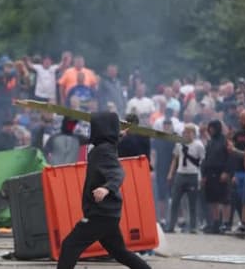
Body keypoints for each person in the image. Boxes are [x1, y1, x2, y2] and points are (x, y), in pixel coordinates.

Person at [57, 112, 151, 269]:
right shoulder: (107, 146)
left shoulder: (104, 151)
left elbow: (117, 172)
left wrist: (106, 188)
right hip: (108, 214)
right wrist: (119, 134)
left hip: (100, 213)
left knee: (69, 245)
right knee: (119, 252)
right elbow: (111, 143)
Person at [165, 124, 205, 233]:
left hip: (193, 174)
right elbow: (175, 159)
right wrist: (170, 173)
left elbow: (202, 162)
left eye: (189, 132)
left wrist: (200, 176)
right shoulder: (179, 144)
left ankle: (193, 227)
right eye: (185, 132)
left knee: (192, 202)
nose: (186, 134)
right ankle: (171, 226)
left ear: (193, 133)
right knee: (175, 201)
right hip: (180, 174)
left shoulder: (199, 145)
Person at [201, 120, 231, 234]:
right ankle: (216, 223)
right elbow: (206, 159)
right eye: (209, 128)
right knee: (212, 200)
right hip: (210, 173)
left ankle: (225, 223)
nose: (210, 130)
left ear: (217, 128)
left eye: (212, 128)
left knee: (224, 199)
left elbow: (229, 158)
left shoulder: (225, 141)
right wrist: (204, 175)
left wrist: (226, 172)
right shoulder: (210, 142)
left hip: (221, 173)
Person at [152, 120, 176, 227]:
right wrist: (152, 168)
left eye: (168, 126)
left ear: (171, 127)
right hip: (161, 170)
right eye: (165, 126)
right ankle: (162, 219)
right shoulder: (157, 139)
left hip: (174, 170)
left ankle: (175, 220)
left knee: (173, 195)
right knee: (161, 195)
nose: (166, 128)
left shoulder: (175, 139)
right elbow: (153, 154)